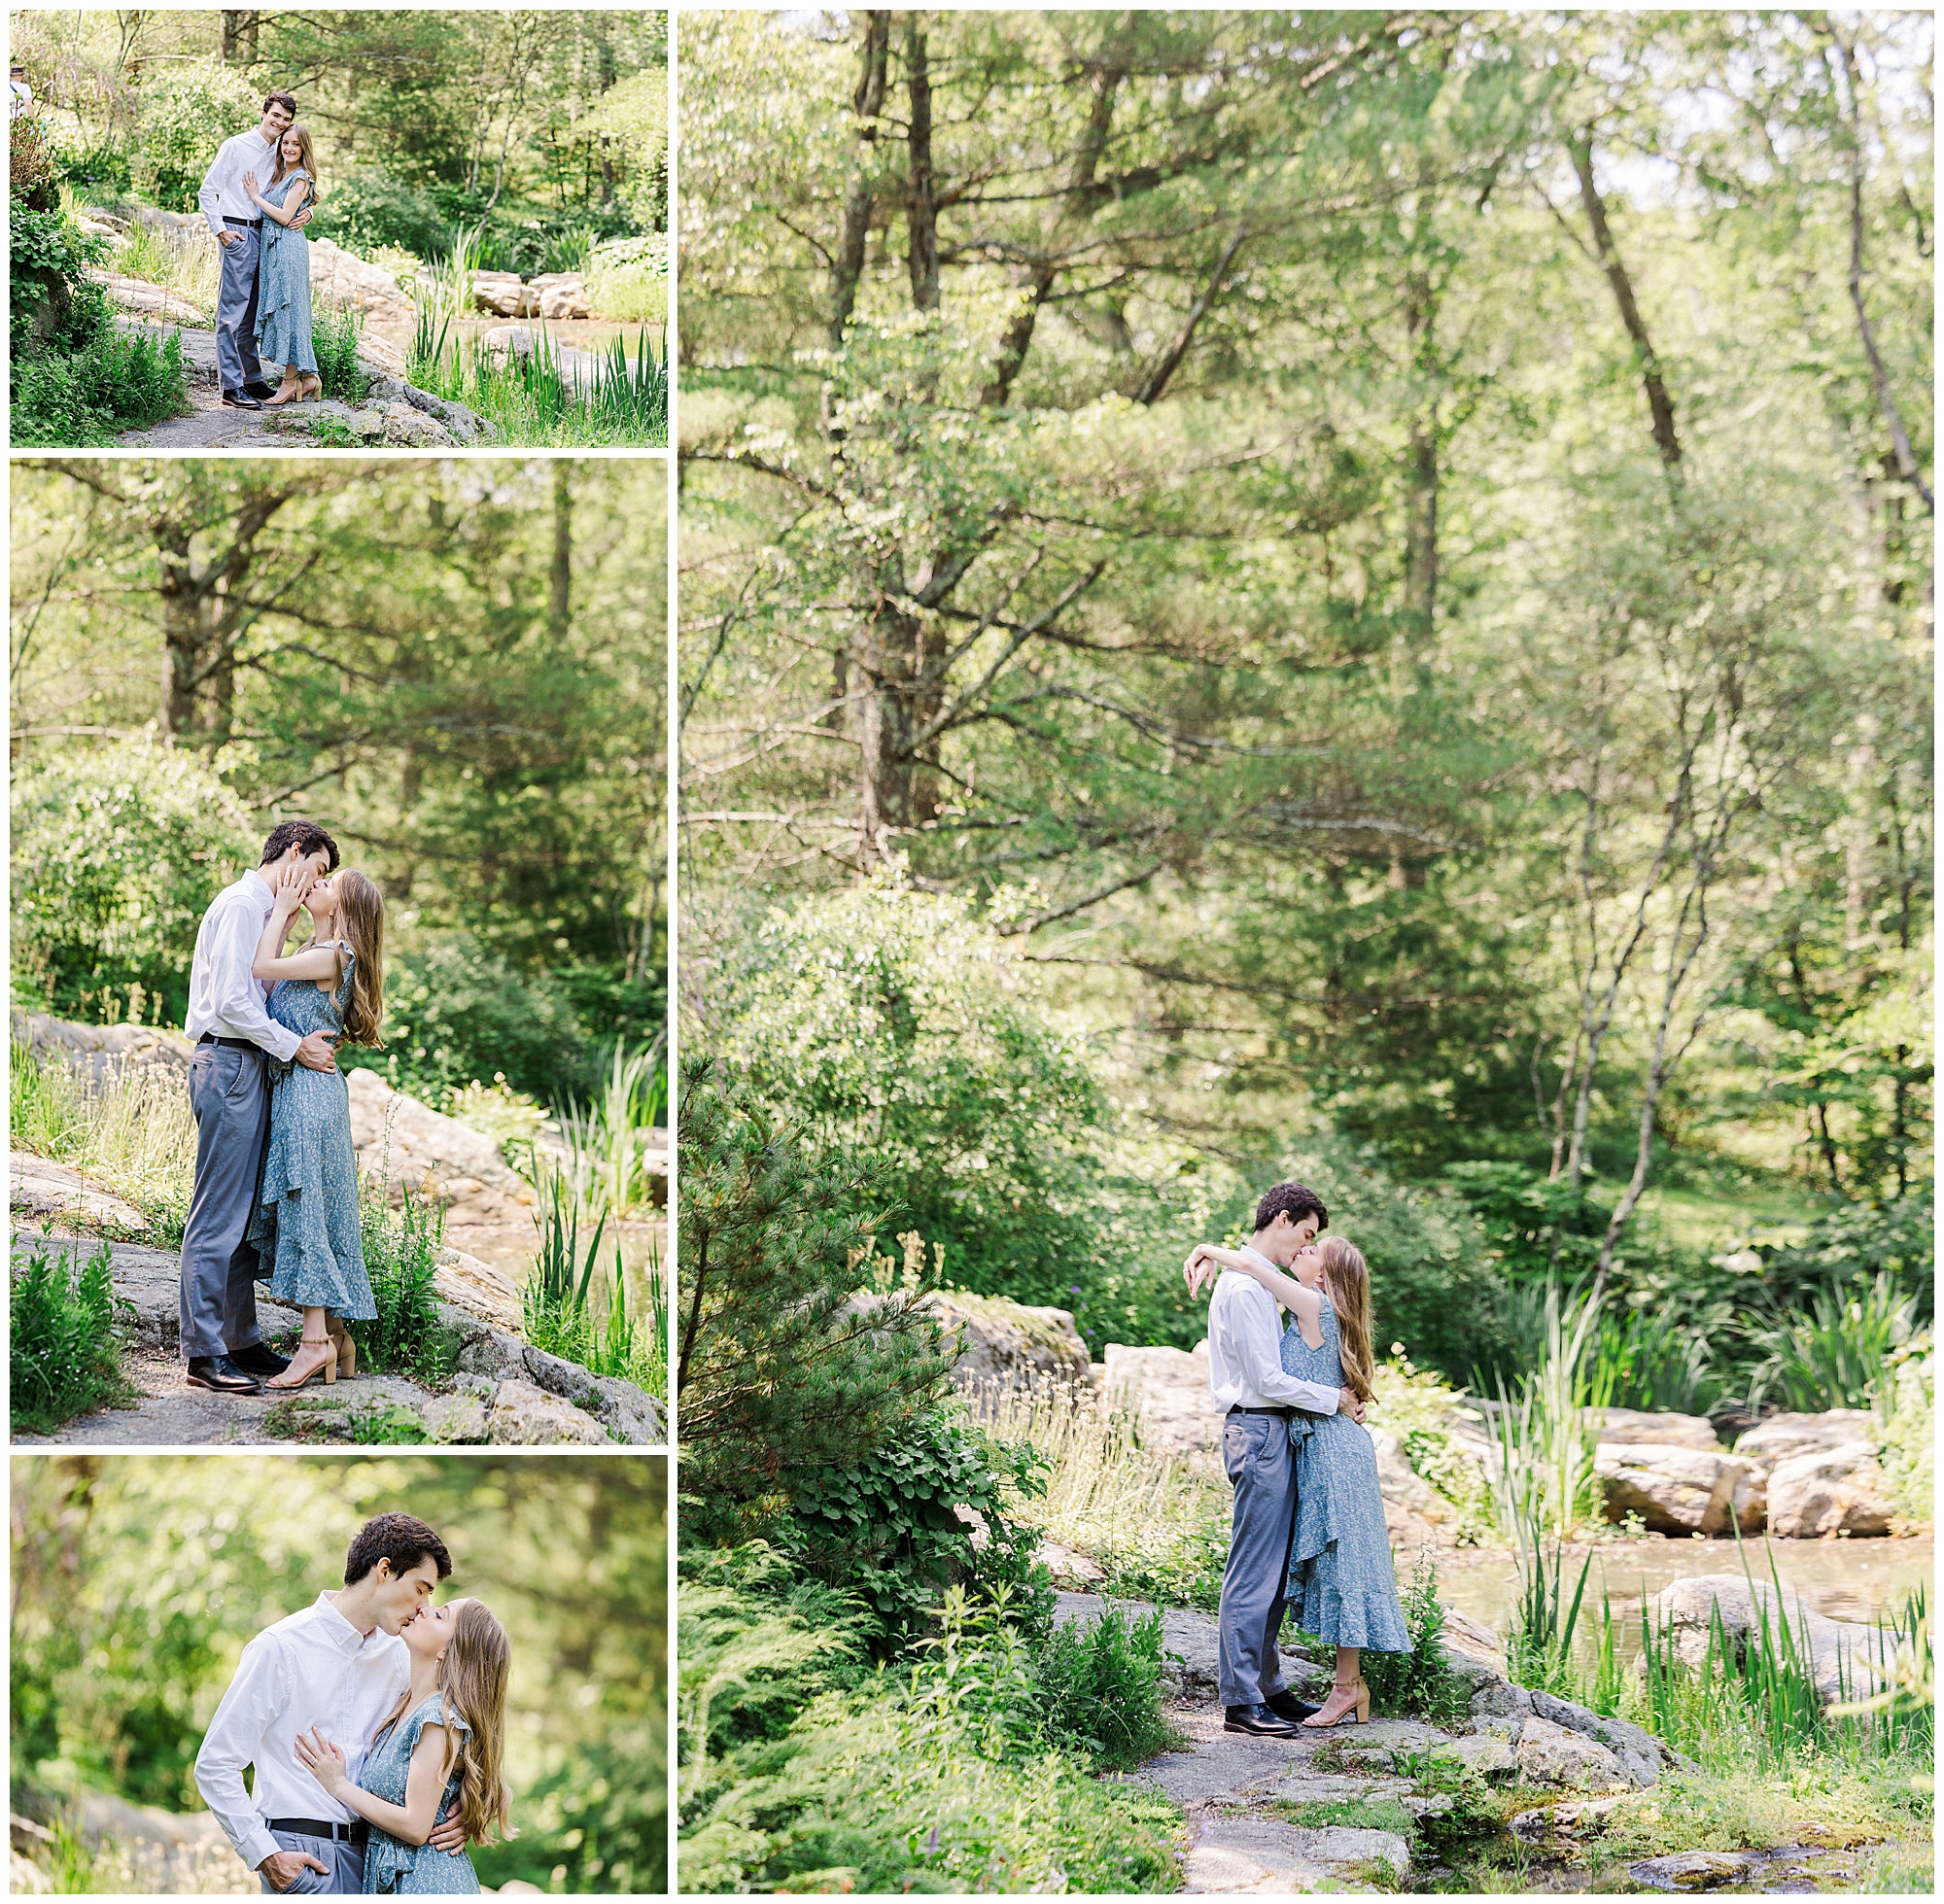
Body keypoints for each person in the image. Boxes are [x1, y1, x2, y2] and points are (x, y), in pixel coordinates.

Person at [1188, 1232, 1411, 1727]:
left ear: (1325, 1275)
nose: (1301, 1253)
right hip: (1323, 1444)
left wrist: (1210, 1250)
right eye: (1305, 1243)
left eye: (1312, 1251)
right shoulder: (1322, 1311)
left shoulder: (1313, 1304)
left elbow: (1258, 1269)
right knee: (1341, 1563)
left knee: (1343, 1564)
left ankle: (1344, 1688)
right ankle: (1340, 1687)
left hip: (1331, 1448)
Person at [194, 1513, 472, 1893]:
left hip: (380, 1862)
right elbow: (216, 1763)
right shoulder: (281, 1647)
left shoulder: (402, 1655)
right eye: (421, 1588)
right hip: (303, 1857)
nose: (424, 1605)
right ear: (385, 1570)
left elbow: (453, 1725)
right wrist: (263, 1854)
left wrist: (467, 1807)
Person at [180, 820, 343, 1395]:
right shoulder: (243, 905)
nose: (319, 882)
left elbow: (264, 993)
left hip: (252, 1066)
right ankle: (204, 1351)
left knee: (245, 1217)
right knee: (219, 1212)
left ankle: (241, 1339)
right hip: (228, 1063)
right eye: (319, 870)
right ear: (295, 854)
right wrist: (293, 1044)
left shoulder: (267, 913)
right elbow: (230, 1001)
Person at [247, 856, 388, 1390]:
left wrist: (280, 909)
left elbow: (259, 968)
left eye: (328, 882)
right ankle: (337, 1335)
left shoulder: (333, 953)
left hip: (309, 1095)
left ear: (345, 906)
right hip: (305, 1091)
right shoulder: (318, 950)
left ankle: (313, 1345)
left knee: (308, 1206)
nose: (316, 883)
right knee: (319, 1207)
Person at [296, 1598, 515, 1893]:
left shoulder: (438, 1718)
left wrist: (339, 1784)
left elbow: (415, 1827)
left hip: (426, 1883)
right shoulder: (407, 1706)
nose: (424, 1609)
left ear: (448, 1651)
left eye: (439, 1615)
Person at [197, 91, 314, 409]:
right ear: (263, 113)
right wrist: (220, 230)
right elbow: (207, 192)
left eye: (286, 120)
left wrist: (308, 212)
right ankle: (231, 388)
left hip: (268, 236)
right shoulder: (235, 147)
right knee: (232, 313)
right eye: (275, 116)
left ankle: (252, 379)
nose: (280, 123)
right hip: (238, 233)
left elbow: (296, 184)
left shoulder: (280, 148)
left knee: (251, 312)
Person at [247, 121, 323, 406]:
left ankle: (291, 382)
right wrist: (309, 214)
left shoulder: (301, 177)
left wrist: (255, 197)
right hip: (273, 249)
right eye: (286, 143)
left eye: (296, 144)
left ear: (304, 148)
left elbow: (284, 214)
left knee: (288, 312)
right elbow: (296, 210)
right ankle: (307, 377)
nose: (289, 148)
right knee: (282, 313)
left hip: (287, 249)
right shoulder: (281, 173)